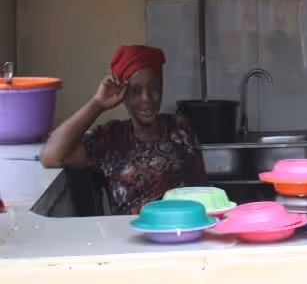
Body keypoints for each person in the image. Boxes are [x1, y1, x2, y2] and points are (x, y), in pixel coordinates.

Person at [40, 45, 207, 215]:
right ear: (123, 95)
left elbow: (203, 192)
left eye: (154, 88)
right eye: (135, 91)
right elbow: (51, 156)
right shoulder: (110, 139)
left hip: (184, 227)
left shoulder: (180, 128)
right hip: (131, 231)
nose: (146, 98)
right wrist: (98, 103)